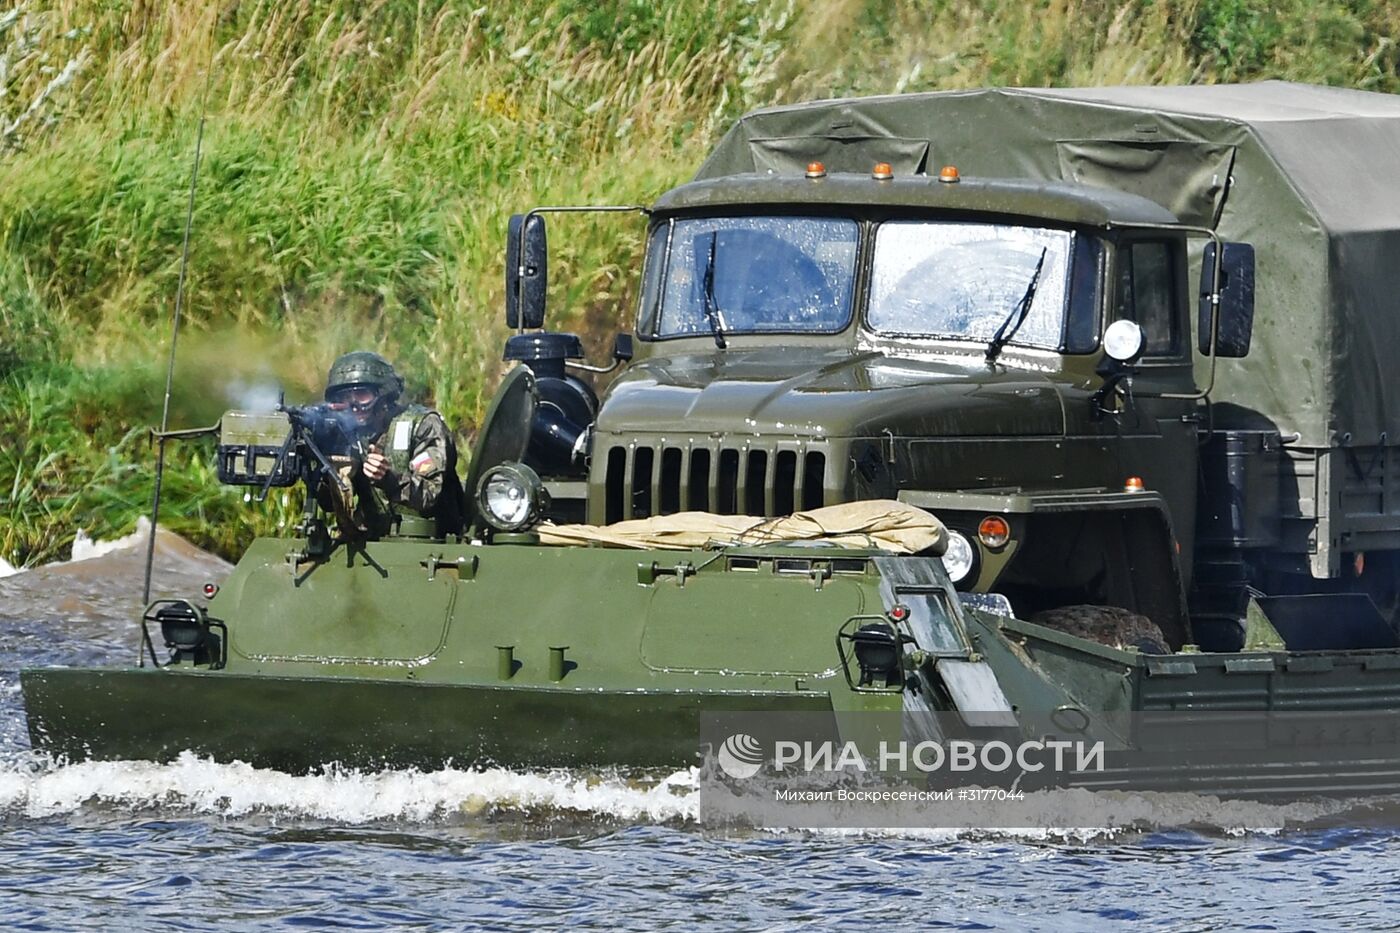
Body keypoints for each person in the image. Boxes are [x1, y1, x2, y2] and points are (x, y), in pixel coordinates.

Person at [322, 350, 465, 537]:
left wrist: (388, 478)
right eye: (345, 398)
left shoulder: (423, 425)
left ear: (383, 394)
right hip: (372, 543)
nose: (354, 405)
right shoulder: (349, 433)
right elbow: (328, 505)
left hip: (432, 542)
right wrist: (322, 473)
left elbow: (429, 495)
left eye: (362, 395)